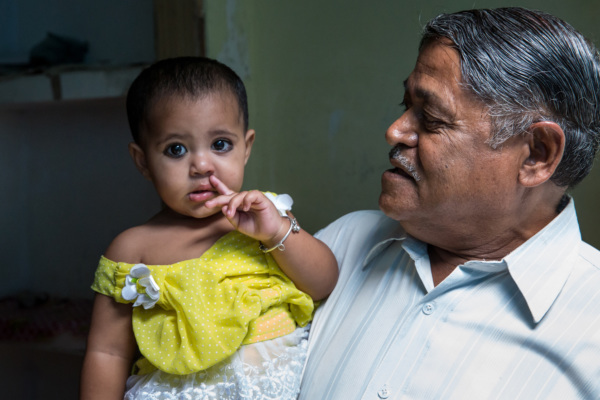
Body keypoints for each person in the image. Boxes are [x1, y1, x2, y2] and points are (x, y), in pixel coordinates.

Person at [299, 7, 600, 400]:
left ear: (536, 156)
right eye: (405, 105)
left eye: (433, 119)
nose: (395, 131)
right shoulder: (337, 248)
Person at [80, 57, 338, 400]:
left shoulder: (265, 215)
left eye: (220, 144)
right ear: (142, 161)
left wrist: (276, 233)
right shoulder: (132, 250)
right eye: (176, 149)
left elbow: (323, 284)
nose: (201, 165)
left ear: (245, 148)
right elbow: (107, 353)